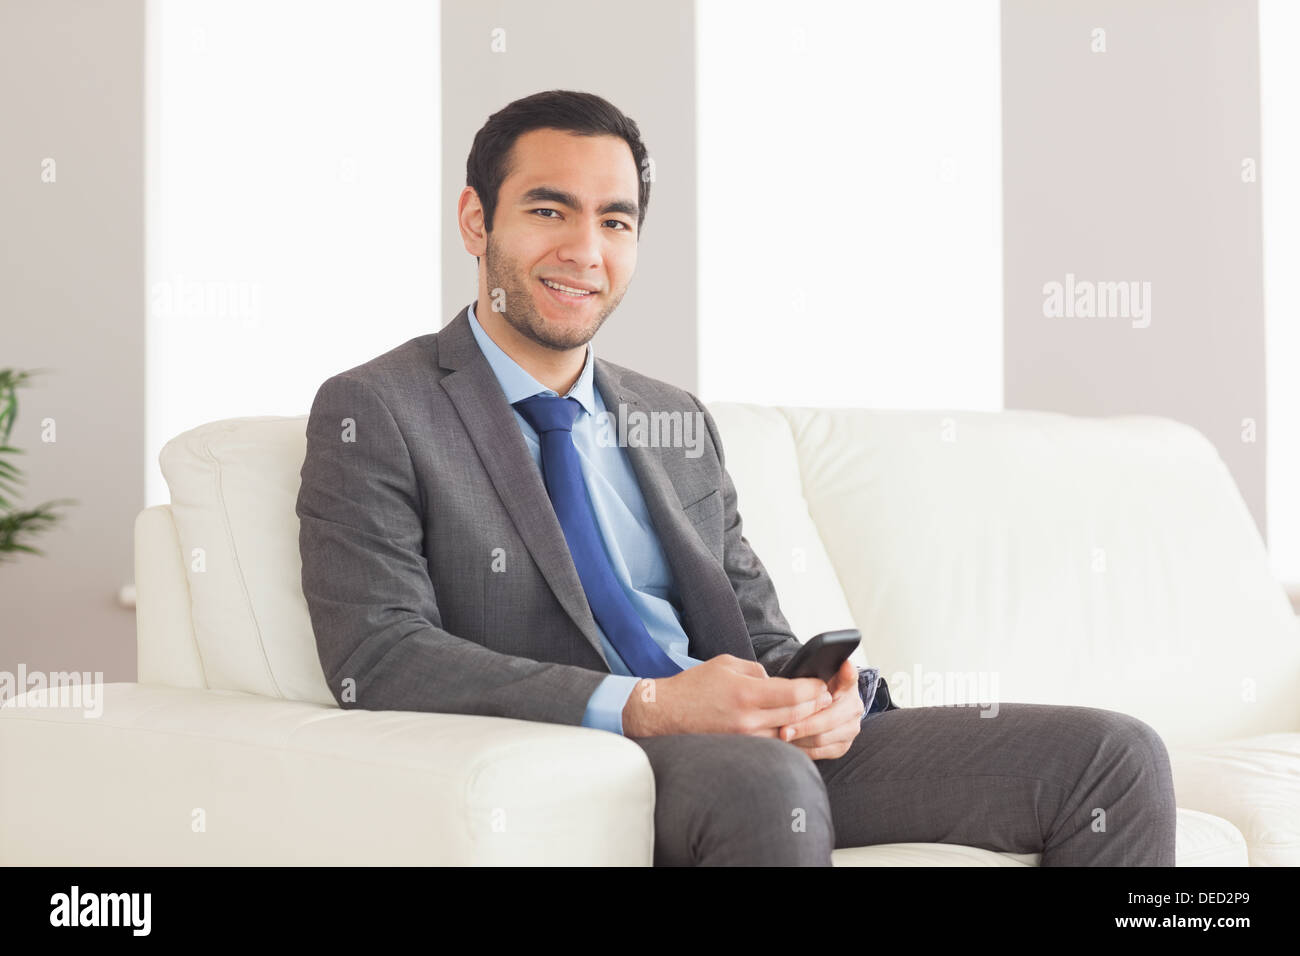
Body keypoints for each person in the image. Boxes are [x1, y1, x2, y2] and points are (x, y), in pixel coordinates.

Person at [296, 89, 1176, 866]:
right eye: (549, 210)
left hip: (747, 743)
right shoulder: (380, 408)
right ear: (475, 221)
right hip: (586, 753)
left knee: (1114, 757)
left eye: (615, 219)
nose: (586, 249)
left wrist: (827, 694)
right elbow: (378, 657)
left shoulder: (670, 418)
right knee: (767, 782)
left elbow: (756, 633)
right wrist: (647, 705)